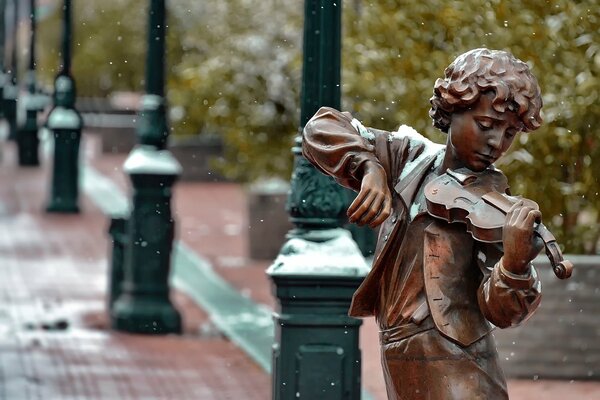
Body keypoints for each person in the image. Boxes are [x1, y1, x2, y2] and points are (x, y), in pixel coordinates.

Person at [302, 48, 545, 399]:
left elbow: (504, 312)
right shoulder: (406, 158)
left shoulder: (497, 208)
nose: (496, 143)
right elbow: (320, 128)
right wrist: (368, 166)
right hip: (399, 354)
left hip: (460, 363)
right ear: (452, 109)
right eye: (487, 125)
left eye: (509, 134)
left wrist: (515, 264)